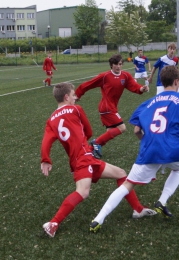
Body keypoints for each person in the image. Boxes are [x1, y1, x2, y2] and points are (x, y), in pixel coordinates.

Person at [89, 65, 179, 233]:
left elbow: (137, 130)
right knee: (178, 169)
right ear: (176, 81)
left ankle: (98, 219)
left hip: (149, 150)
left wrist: (147, 142)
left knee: (127, 185)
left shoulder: (146, 103)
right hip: (174, 150)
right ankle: (162, 200)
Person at [40, 82, 156, 238]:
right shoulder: (75, 109)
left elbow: (46, 141)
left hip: (83, 158)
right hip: (83, 158)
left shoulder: (51, 120)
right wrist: (83, 140)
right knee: (83, 192)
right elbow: (88, 131)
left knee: (121, 174)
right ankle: (53, 223)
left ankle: (138, 210)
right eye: (74, 95)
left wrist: (46, 159)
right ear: (66, 97)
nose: (75, 98)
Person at [75, 54, 149, 159]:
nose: (118, 66)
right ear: (111, 65)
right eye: (115, 64)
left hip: (112, 107)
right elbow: (87, 84)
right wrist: (78, 94)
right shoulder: (105, 76)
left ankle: (89, 150)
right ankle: (96, 143)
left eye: (120, 64)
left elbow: (134, 86)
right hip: (106, 108)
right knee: (122, 128)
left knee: (110, 132)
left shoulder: (125, 76)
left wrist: (142, 88)